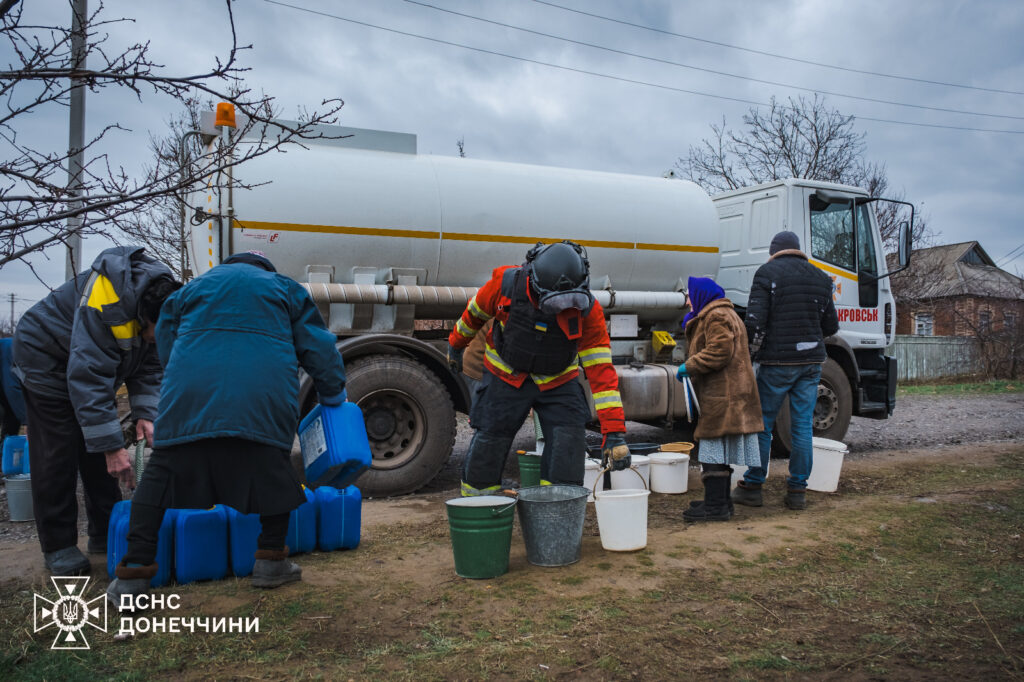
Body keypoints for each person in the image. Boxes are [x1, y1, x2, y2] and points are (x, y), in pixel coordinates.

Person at [106, 252, 346, 606]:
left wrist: (188, 375)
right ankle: (270, 562)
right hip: (262, 398)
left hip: (189, 397)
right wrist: (333, 393)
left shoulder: (190, 290)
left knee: (158, 478)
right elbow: (318, 347)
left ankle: (134, 573)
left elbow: (168, 346)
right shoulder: (285, 289)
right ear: (264, 268)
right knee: (273, 470)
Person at [12, 246, 181, 575]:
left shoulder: (165, 302)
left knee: (102, 449)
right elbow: (88, 375)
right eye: (154, 332)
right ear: (143, 317)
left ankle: (105, 531)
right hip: (46, 359)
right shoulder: (106, 299)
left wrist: (147, 413)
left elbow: (149, 369)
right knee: (58, 452)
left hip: (91, 367)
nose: (157, 339)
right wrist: (111, 445)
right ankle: (59, 545)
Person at [447, 241, 629, 495]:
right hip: (506, 375)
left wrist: (614, 431)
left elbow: (601, 373)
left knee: (568, 438)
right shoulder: (505, 285)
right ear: (534, 282)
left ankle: (556, 505)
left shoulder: (589, 312)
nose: (563, 309)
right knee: (491, 436)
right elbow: (473, 315)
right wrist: (456, 345)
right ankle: (478, 504)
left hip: (558, 380)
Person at [735, 231, 840, 510]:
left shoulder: (767, 273)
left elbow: (755, 323)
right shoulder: (821, 278)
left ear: (774, 252)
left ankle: (754, 485)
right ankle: (797, 491)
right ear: (798, 250)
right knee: (803, 426)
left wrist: (749, 355)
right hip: (811, 363)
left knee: (764, 424)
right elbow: (831, 326)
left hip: (777, 362)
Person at [676, 277, 763, 522]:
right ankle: (721, 503)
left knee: (712, 452)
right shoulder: (724, 313)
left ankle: (716, 508)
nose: (687, 302)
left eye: (690, 296)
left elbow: (719, 351)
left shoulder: (717, 316)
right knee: (719, 451)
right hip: (729, 395)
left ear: (702, 295)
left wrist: (689, 366)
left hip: (724, 396)